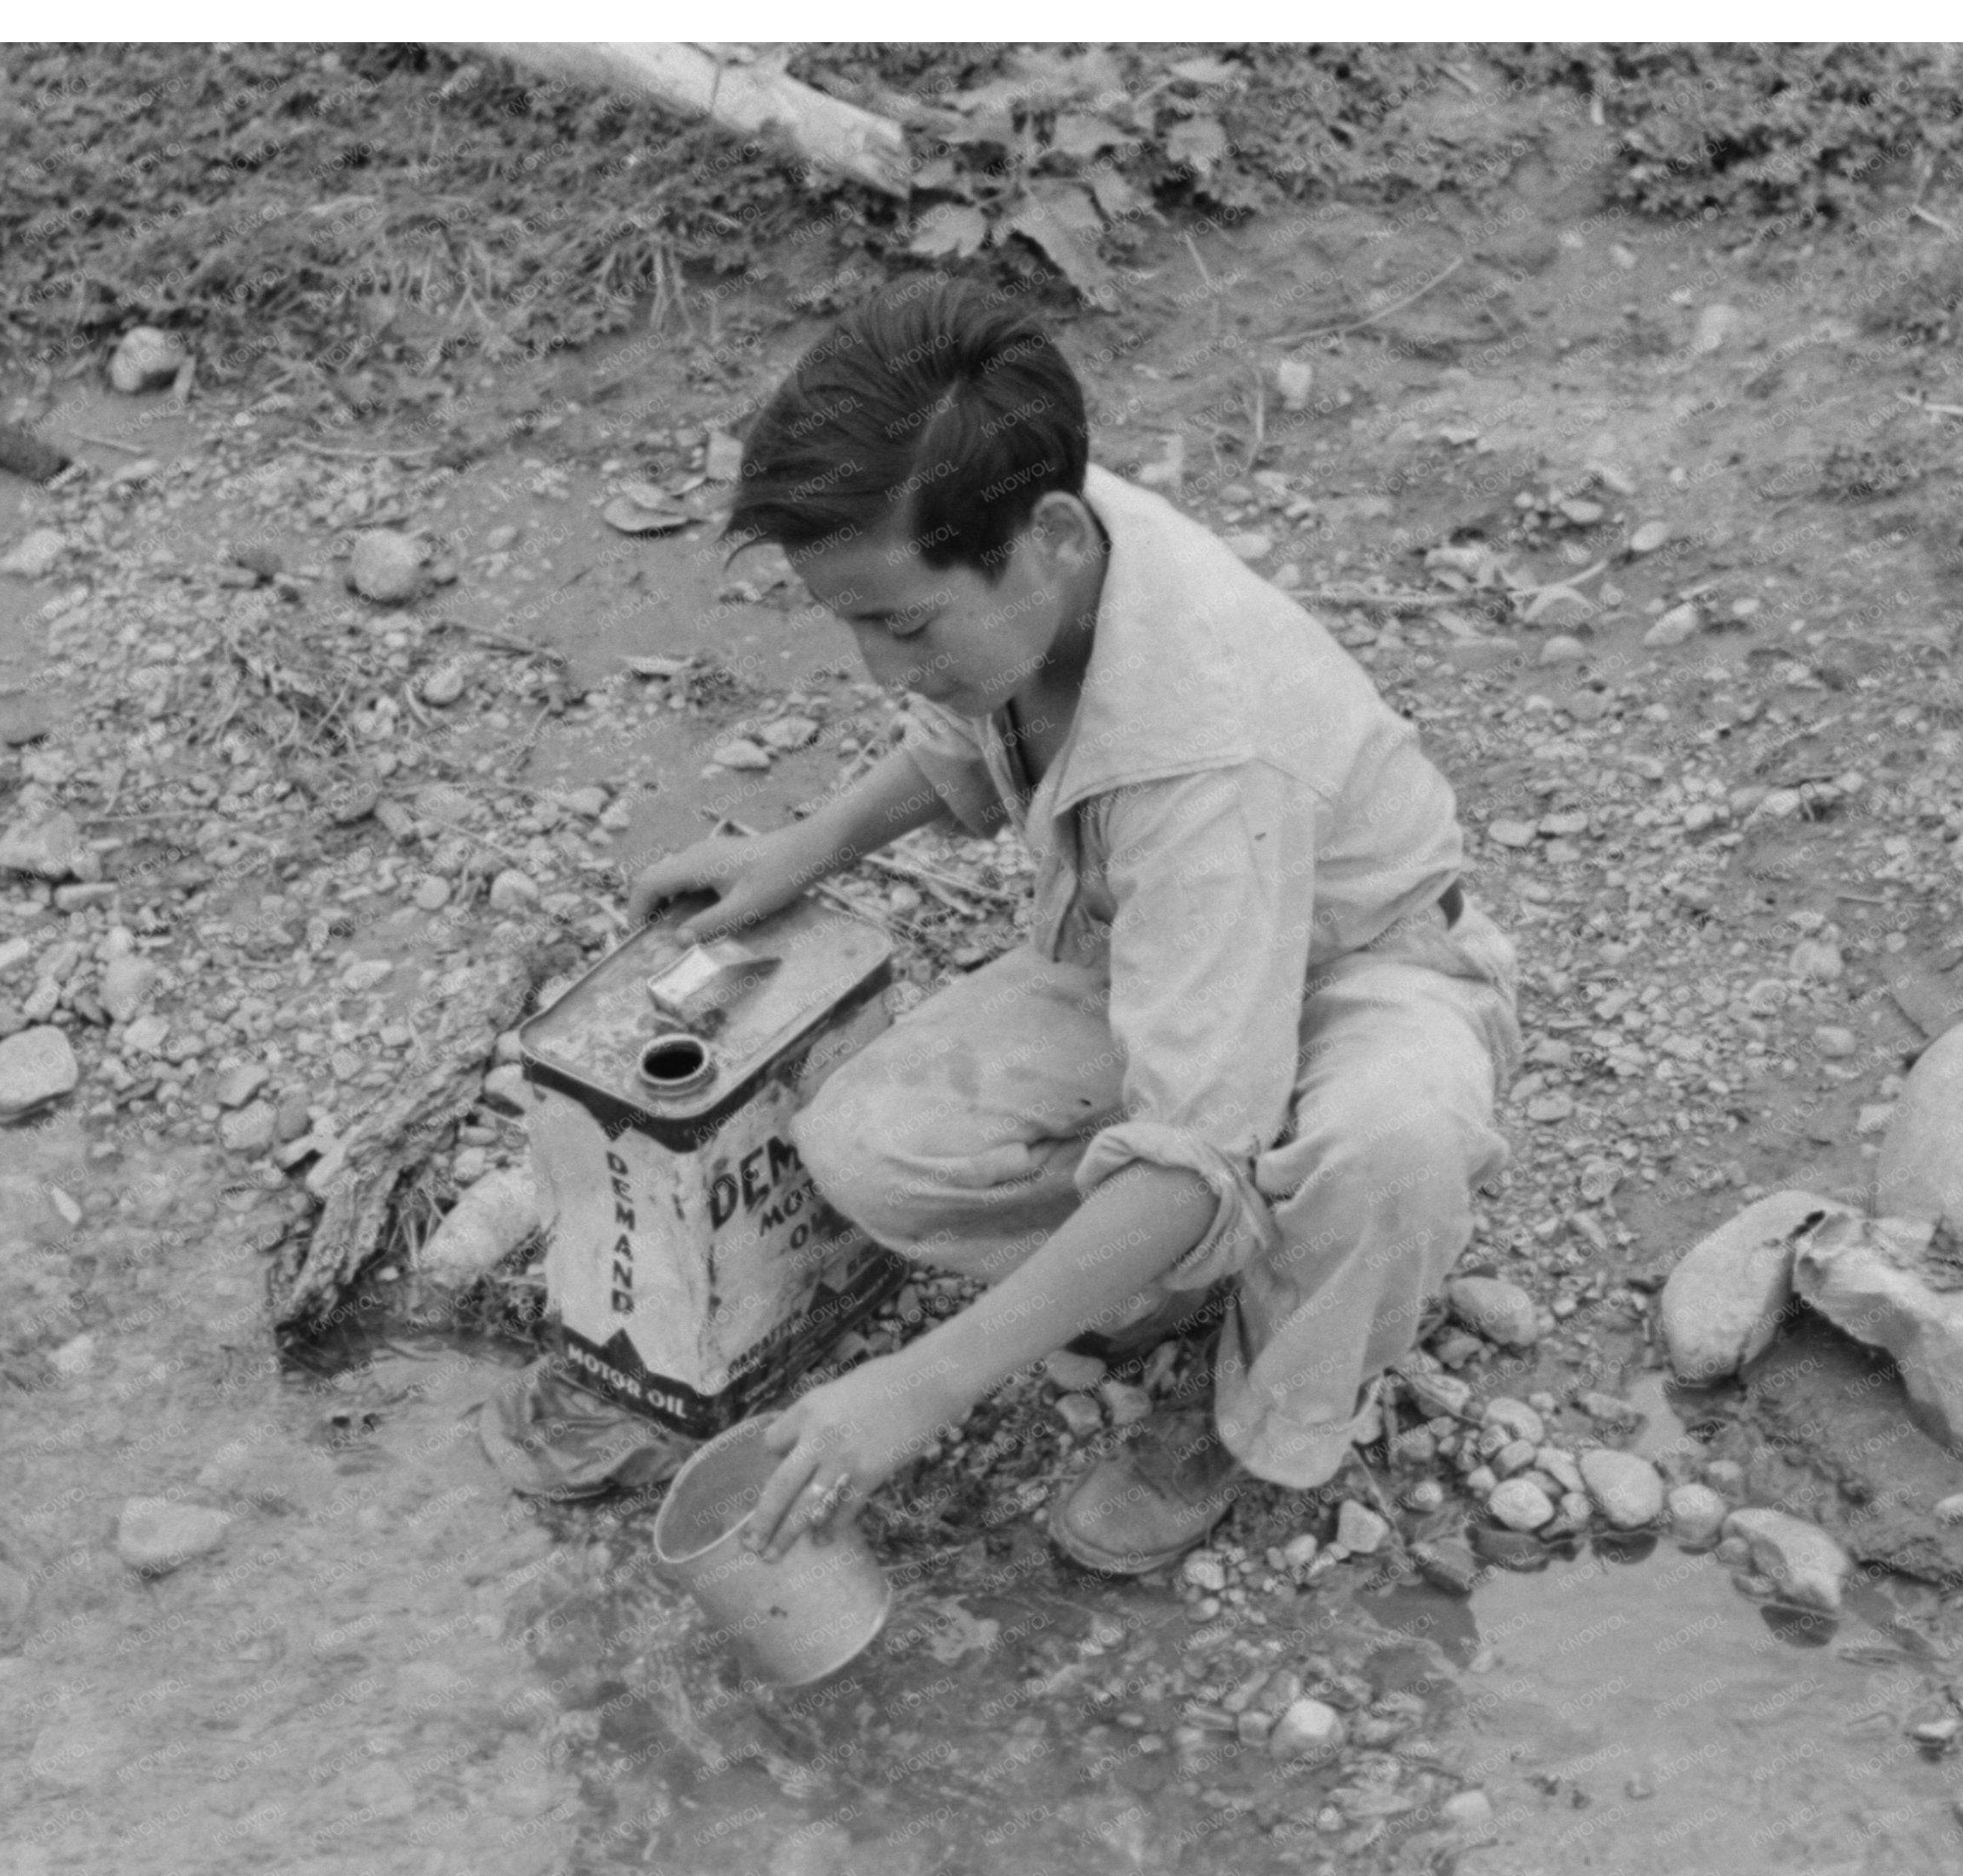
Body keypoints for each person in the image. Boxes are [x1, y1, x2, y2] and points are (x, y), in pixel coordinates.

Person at [628, 274, 1519, 1578]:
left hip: (1369, 970)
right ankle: (1185, 1271)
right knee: (875, 1148)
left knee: (1387, 1149)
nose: (880, 665)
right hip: (1160, 948)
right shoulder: (1053, 537)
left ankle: (1253, 1402)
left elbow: (1186, 1149)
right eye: (853, 622)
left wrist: (922, 1387)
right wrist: (803, 847)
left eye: (901, 622)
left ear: (1041, 536)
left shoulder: (1205, 752)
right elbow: (965, 728)